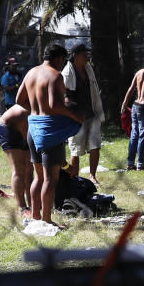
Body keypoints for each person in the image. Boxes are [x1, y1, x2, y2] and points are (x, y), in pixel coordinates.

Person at [16, 43, 83, 225]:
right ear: (59, 58)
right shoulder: (55, 75)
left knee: (38, 177)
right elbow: (55, 106)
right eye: (64, 61)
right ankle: (46, 219)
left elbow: (18, 100)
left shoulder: (31, 73)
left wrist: (36, 111)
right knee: (50, 179)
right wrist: (75, 116)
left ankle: (36, 215)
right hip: (49, 131)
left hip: (33, 128)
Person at [62, 43, 105, 185]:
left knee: (95, 146)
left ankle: (92, 176)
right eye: (84, 54)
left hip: (92, 114)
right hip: (75, 118)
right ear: (75, 55)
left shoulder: (88, 69)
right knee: (76, 148)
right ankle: (74, 178)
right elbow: (65, 96)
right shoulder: (67, 73)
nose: (87, 56)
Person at [0, 104, 32, 214]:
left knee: (30, 170)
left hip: (25, 126)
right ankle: (22, 207)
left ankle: (32, 204)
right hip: (8, 128)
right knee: (19, 170)